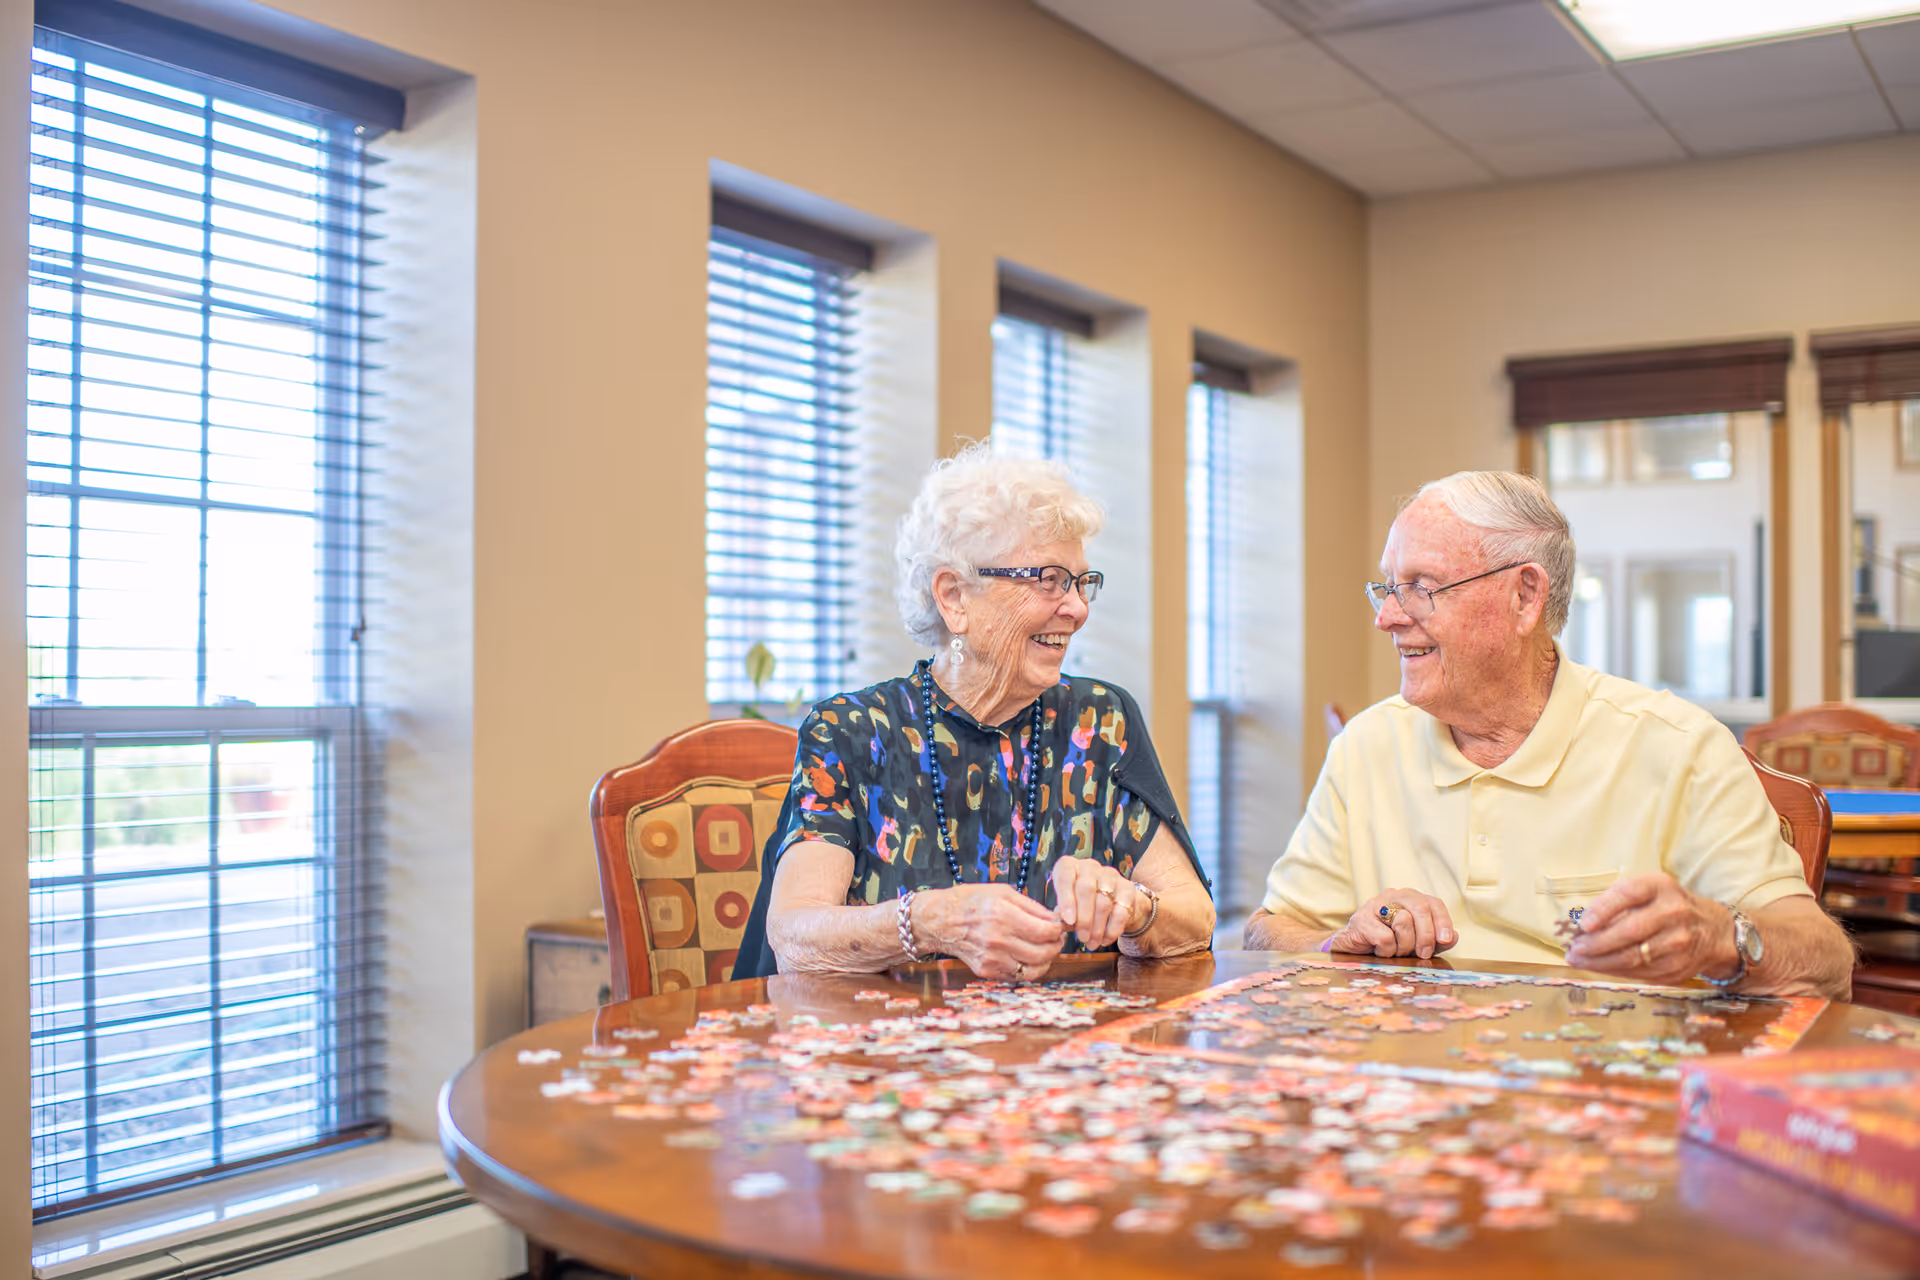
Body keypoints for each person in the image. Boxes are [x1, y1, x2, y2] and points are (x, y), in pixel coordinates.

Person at [1245, 471, 1854, 999]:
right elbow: (1271, 928)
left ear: (1525, 596)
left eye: (1421, 587)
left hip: (1609, 1102)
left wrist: (1722, 938)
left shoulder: (1678, 747)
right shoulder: (1366, 742)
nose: (1388, 617)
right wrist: (1340, 939)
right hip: (1407, 1096)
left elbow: (1826, 963)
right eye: (1388, 585)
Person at [734, 444, 1215, 980]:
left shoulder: (1099, 721)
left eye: (1081, 582)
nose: (1077, 608)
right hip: (893, 1057)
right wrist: (930, 920)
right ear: (954, 597)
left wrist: (1132, 907)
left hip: (1064, 1056)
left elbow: (1195, 917)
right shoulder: (851, 733)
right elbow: (794, 934)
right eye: (1049, 579)